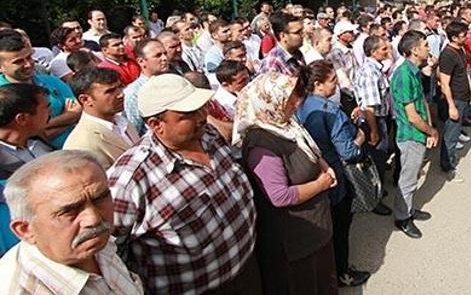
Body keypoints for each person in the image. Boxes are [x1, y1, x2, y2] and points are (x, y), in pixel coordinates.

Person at [109, 73, 260, 293]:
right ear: (156, 124)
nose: (202, 117)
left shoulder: (209, 135)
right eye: (188, 114)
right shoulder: (130, 180)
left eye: (201, 108)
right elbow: (111, 252)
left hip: (246, 271)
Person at [234, 71, 337, 294]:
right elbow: (279, 196)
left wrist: (323, 165)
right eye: (289, 98)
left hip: (315, 227)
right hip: (295, 239)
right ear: (269, 102)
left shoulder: (285, 124)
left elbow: (307, 150)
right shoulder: (262, 143)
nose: (297, 102)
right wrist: (322, 183)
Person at [0, 150, 144, 294]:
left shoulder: (94, 244)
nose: (93, 219)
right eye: (69, 211)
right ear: (26, 230)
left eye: (100, 198)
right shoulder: (20, 289)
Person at [295, 61, 371, 287]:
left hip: (314, 173)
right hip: (336, 175)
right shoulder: (330, 111)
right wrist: (360, 136)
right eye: (333, 81)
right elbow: (348, 151)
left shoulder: (301, 105)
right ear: (318, 84)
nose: (336, 86)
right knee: (340, 227)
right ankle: (342, 272)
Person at [391, 31, 439, 239]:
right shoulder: (403, 75)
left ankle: (408, 209)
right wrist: (431, 130)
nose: (429, 48)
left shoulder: (414, 70)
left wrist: (430, 128)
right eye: (425, 45)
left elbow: (422, 103)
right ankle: (402, 217)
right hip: (410, 135)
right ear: (414, 50)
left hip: (419, 132)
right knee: (408, 179)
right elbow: (411, 116)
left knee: (413, 175)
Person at [0, 30, 80, 149]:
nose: (28, 64)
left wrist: (45, 127)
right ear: (1, 67)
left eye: (29, 57)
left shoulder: (50, 81)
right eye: (18, 62)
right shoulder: (3, 96)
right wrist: (68, 117)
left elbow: (79, 109)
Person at [64, 67, 138, 167]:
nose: (121, 94)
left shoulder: (122, 122)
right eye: (110, 91)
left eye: (120, 87)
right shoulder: (80, 146)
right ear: (85, 99)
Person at [352, 35, 393, 216]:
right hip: (374, 121)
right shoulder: (370, 71)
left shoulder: (376, 69)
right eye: (383, 49)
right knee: (376, 160)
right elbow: (369, 107)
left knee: (378, 159)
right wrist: (375, 131)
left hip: (379, 119)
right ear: (373, 52)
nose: (388, 51)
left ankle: (376, 191)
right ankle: (374, 199)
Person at [439, 21, 471, 182]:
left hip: (463, 96)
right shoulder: (447, 54)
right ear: (453, 37)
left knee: (455, 130)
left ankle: (450, 160)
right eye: (463, 35)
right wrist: (451, 106)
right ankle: (448, 165)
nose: (466, 37)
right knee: (451, 134)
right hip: (455, 99)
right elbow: (444, 83)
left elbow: (464, 72)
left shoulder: (459, 49)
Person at [0, 84, 53, 179]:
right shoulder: (4, 166)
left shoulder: (36, 140)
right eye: (46, 108)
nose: (50, 112)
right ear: (22, 119)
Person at [123, 39, 170, 135]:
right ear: (141, 61)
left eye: (165, 53)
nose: (164, 58)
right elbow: (135, 131)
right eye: (158, 55)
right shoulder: (134, 93)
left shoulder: (173, 80)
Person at [327, 21, 359, 114]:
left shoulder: (350, 49)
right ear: (341, 34)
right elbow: (342, 79)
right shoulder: (336, 53)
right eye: (350, 32)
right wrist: (352, 93)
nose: (353, 34)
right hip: (347, 95)